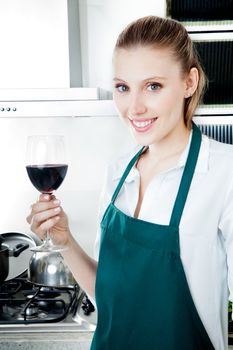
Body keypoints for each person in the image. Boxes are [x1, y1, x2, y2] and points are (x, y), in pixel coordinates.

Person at [26, 16, 233, 350]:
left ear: (189, 83)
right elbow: (109, 294)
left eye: (153, 86)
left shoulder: (225, 173)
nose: (134, 107)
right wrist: (64, 240)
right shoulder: (118, 170)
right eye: (123, 87)